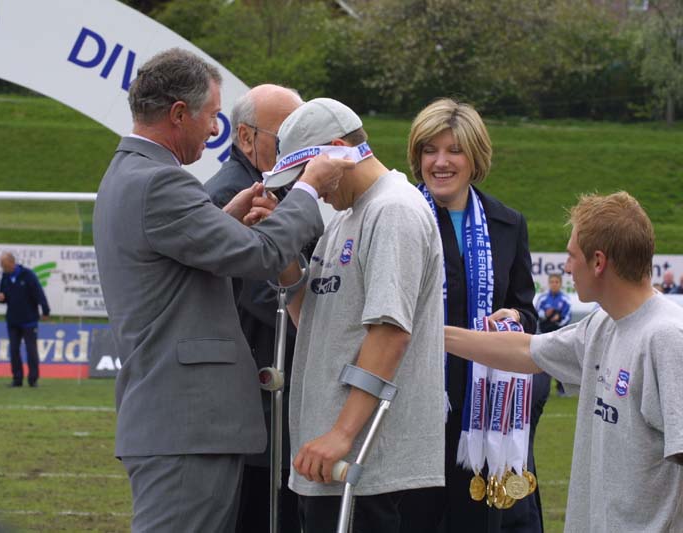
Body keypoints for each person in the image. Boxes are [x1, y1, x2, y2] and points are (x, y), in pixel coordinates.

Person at [93, 48, 353, 533]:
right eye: (212, 117)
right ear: (177, 114)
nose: (216, 131)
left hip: (178, 423)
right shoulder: (159, 183)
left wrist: (223, 217)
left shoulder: (130, 174)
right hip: (188, 426)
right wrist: (309, 190)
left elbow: (182, 263)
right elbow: (262, 257)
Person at [445, 191, 683, 532]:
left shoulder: (666, 337)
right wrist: (433, 337)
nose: (567, 267)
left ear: (598, 262)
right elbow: (526, 350)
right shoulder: (603, 324)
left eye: (572, 256)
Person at [264, 98, 445, 532]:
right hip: (333, 462)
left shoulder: (393, 211)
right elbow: (318, 329)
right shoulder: (345, 219)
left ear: (339, 150)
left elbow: (390, 334)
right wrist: (285, 261)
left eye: (309, 177)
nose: (312, 191)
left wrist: (342, 434)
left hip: (366, 467)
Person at [403, 98, 543, 532]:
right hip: (413, 413)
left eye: (454, 151)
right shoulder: (399, 215)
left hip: (483, 416)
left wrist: (515, 319)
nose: (440, 162)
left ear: (475, 157)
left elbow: (527, 311)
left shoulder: (507, 223)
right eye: (430, 150)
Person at [204, 84, 304, 533]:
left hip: (262, 400)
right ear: (246, 138)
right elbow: (263, 294)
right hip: (257, 397)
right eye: (287, 136)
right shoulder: (235, 194)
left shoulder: (269, 188)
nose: (299, 149)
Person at [0, 252, 50, 388]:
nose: (2, 267)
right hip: (13, 320)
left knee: (31, 350)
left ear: (11, 262)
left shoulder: (28, 275)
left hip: (29, 320)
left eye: (4, 265)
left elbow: (39, 292)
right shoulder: (5, 276)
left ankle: (33, 379)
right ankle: (17, 378)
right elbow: (3, 295)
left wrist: (45, 310)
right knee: (14, 350)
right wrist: (0, 298)